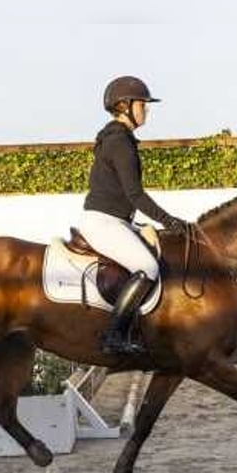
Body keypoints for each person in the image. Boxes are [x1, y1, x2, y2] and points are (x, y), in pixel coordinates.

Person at [79, 75, 188, 354]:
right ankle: (113, 336)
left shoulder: (118, 138)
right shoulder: (119, 141)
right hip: (104, 222)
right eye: (143, 104)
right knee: (148, 268)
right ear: (125, 105)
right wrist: (170, 221)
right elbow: (135, 195)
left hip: (114, 220)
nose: (146, 109)